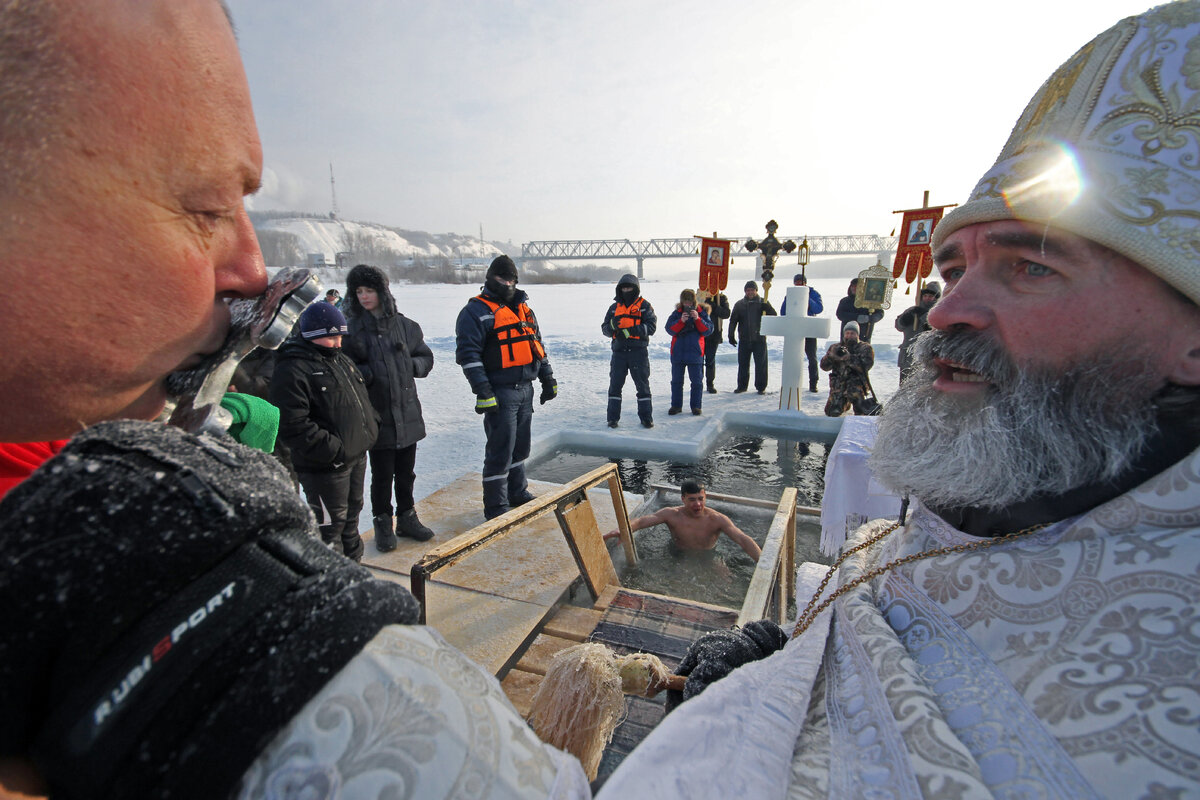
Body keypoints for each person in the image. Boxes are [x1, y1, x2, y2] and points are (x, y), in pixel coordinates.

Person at [598, 4, 1200, 797]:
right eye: (954, 269)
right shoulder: (1009, 481)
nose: (947, 311)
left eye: (1032, 267)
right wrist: (788, 653)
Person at [0, 4, 587, 797]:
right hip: (385, 442)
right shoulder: (84, 534)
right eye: (206, 206)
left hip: (406, 425)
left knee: (446, 476)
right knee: (398, 492)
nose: (251, 262)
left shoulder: (68, 463)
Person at [270, 301, 379, 562]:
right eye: (331, 337)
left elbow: (359, 399)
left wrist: (371, 426)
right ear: (312, 335)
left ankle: (355, 572)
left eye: (340, 335)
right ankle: (335, 583)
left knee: (352, 518)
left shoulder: (339, 359)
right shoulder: (292, 368)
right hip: (325, 467)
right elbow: (292, 424)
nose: (338, 342)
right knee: (329, 529)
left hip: (355, 457)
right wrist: (333, 450)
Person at [456, 255, 558, 520]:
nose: (507, 283)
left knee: (520, 447)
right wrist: (484, 391)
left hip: (526, 389)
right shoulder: (475, 312)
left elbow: (538, 347)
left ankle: (517, 491)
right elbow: (469, 356)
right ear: (490, 278)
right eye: (502, 278)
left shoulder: (525, 311)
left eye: (511, 279)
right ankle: (495, 505)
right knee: (500, 449)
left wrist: (547, 378)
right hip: (500, 391)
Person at [343, 264, 436, 548]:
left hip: (406, 413)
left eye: (369, 290)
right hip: (376, 415)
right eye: (359, 291)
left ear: (382, 292)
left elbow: (425, 357)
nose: (364, 296)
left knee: (406, 473)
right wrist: (366, 374)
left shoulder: (405, 327)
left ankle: (407, 518)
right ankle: (383, 523)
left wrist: (412, 365)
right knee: (382, 475)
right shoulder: (351, 331)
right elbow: (344, 368)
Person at [604, 480, 760, 561]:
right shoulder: (672, 514)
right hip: (677, 553)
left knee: (726, 581)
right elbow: (642, 521)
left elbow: (743, 539)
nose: (697, 504)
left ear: (705, 497)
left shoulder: (717, 519)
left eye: (701, 499)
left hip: (709, 556)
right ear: (683, 499)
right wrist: (624, 530)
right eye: (692, 499)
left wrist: (764, 565)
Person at [601, 273, 656, 428]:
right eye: (624, 287)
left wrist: (630, 331)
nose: (626, 290)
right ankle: (612, 418)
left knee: (642, 386)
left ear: (635, 288)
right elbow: (604, 329)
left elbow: (651, 327)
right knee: (615, 386)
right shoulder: (613, 308)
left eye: (629, 287)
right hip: (619, 353)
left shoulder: (644, 306)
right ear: (619, 289)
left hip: (638, 352)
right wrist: (612, 325)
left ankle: (646, 418)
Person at [665, 289, 712, 416]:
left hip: (695, 353)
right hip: (678, 352)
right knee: (676, 382)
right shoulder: (676, 313)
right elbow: (669, 329)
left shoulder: (701, 313)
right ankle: (676, 405)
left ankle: (696, 406)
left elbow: (708, 330)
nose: (687, 304)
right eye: (685, 301)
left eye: (689, 301)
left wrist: (697, 319)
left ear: (694, 301)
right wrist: (681, 321)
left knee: (696, 382)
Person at [727, 280, 777, 394]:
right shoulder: (739, 304)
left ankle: (761, 387)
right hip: (744, 339)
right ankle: (742, 386)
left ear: (756, 291)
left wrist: (767, 308)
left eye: (752, 290)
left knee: (761, 365)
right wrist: (731, 335)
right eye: (748, 290)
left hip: (759, 339)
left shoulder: (763, 302)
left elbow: (774, 316)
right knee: (743, 364)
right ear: (745, 291)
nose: (750, 292)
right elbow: (733, 320)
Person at [819, 320, 876, 417]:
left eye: (852, 333)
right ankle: (844, 404)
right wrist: (830, 357)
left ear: (857, 335)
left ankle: (856, 404)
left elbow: (866, 366)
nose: (849, 336)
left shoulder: (865, 348)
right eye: (847, 333)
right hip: (838, 385)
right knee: (832, 412)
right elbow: (824, 367)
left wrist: (849, 358)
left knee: (860, 413)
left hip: (856, 386)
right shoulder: (835, 347)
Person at [780, 273, 824, 392]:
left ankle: (813, 383)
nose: (799, 284)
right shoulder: (790, 294)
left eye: (801, 282)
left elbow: (818, 309)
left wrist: (806, 297)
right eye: (797, 282)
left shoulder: (813, 293)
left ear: (805, 282)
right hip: (794, 330)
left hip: (808, 328)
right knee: (793, 358)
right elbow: (783, 312)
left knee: (812, 357)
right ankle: (793, 383)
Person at [893, 280, 941, 383]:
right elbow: (898, 326)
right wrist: (905, 319)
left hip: (926, 357)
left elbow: (934, 329)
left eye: (930, 296)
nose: (927, 298)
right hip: (907, 357)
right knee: (904, 384)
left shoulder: (938, 313)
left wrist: (924, 316)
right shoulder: (912, 310)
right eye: (925, 296)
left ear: (936, 298)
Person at [697, 288, 731, 393]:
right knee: (698, 361)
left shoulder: (721, 298)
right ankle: (698, 383)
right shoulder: (698, 296)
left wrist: (713, 306)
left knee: (710, 361)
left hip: (714, 334)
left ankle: (710, 384)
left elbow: (726, 314)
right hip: (700, 335)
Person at [834, 277, 884, 341]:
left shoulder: (870, 301)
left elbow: (880, 313)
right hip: (847, 334)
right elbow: (840, 314)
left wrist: (869, 318)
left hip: (865, 333)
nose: (854, 288)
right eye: (852, 286)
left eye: (856, 286)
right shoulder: (845, 301)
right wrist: (857, 317)